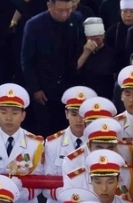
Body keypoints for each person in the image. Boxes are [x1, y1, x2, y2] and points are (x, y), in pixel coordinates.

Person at [20, 0, 86, 135]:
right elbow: (27, 61)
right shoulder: (34, 25)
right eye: (60, 10)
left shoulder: (77, 19)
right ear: (49, 6)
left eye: (69, 9)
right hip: (44, 87)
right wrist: (36, 88)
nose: (65, 14)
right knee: (46, 129)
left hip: (70, 85)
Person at [77, 18, 116, 98]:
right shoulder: (79, 50)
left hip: (106, 94)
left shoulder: (112, 53)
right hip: (84, 93)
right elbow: (74, 69)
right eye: (91, 39)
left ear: (103, 36)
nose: (94, 42)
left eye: (97, 39)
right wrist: (86, 53)